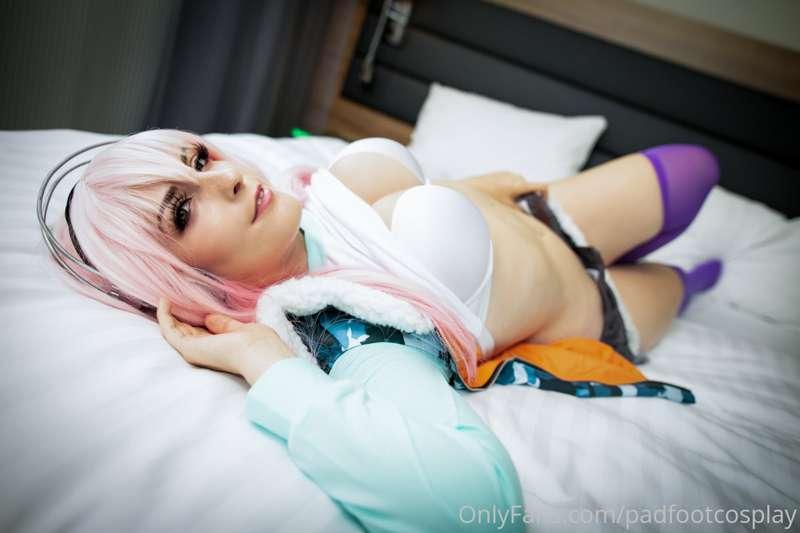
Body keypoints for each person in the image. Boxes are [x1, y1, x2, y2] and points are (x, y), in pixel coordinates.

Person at [49, 129, 722, 531]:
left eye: (199, 159)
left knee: (697, 167)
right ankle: (693, 283)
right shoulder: (353, 326)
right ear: (179, 279)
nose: (226, 176)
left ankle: (664, 261)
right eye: (183, 210)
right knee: (680, 283)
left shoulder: (302, 194)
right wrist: (268, 366)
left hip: (544, 207)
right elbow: (478, 506)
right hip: (592, 306)